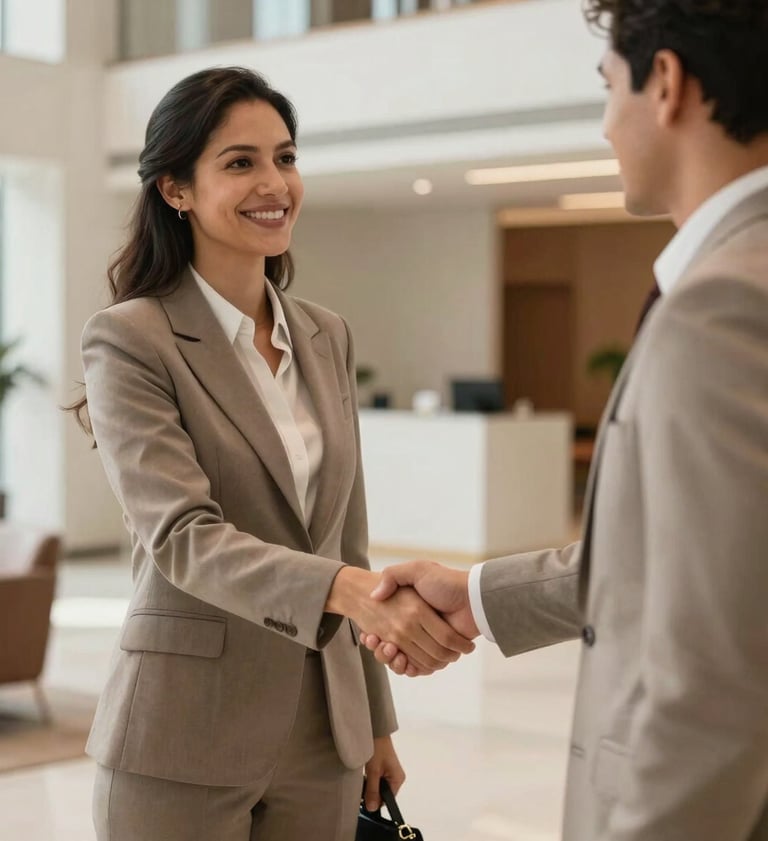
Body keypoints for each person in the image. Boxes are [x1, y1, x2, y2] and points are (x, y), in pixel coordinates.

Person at [360, 1, 768, 838]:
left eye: (607, 88)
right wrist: (477, 594)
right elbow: (685, 562)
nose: (607, 125)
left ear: (667, 84)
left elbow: (716, 678)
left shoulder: (724, 303)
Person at [73, 66, 473, 841]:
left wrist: (373, 724)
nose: (275, 183)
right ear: (175, 189)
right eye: (240, 161)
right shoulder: (129, 339)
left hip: (322, 735)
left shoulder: (326, 334)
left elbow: (344, 533)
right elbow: (184, 536)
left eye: (285, 157)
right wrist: (353, 590)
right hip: (181, 731)